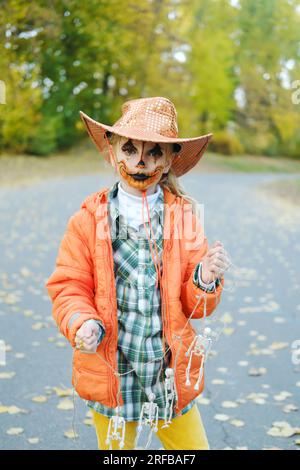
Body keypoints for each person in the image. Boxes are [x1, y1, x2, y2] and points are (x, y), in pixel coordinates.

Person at [45, 96, 230, 450]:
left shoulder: (185, 220)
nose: (140, 162)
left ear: (170, 159)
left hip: (168, 375)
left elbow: (199, 307)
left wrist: (204, 278)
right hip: (111, 373)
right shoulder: (86, 220)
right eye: (129, 150)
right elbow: (69, 285)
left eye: (154, 153)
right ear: (111, 152)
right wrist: (81, 321)